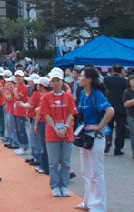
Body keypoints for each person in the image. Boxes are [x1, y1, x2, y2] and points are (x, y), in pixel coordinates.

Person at [74, 67, 114, 212]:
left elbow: (110, 111)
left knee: (96, 172)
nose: (79, 78)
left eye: (82, 76)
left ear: (89, 79)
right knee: (85, 171)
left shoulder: (97, 95)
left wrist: (98, 126)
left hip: (95, 137)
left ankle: (99, 206)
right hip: (84, 136)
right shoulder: (83, 94)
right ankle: (88, 202)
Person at [39, 68, 78, 197]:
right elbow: (46, 114)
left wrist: (65, 128)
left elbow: (71, 113)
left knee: (66, 162)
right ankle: (55, 185)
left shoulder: (69, 96)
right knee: (53, 162)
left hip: (67, 133)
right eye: (53, 81)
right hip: (52, 133)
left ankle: (64, 185)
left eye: (58, 81)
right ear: (50, 82)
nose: (56, 83)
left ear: (62, 82)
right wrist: (56, 128)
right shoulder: (47, 96)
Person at [103, 64, 128, 155]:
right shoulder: (124, 81)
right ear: (121, 71)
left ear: (112, 70)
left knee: (108, 126)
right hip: (121, 107)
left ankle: (108, 140)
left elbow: (103, 90)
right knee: (120, 129)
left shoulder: (106, 79)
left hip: (109, 106)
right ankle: (118, 148)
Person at [123, 74, 134, 162]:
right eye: (132, 80)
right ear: (129, 82)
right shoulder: (127, 92)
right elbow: (125, 104)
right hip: (132, 116)